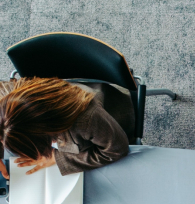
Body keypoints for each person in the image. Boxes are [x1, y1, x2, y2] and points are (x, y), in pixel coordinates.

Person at [0, 77, 131, 180]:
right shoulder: (5, 98)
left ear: (48, 136)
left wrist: (56, 158)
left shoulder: (86, 119)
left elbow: (116, 149)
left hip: (111, 120)